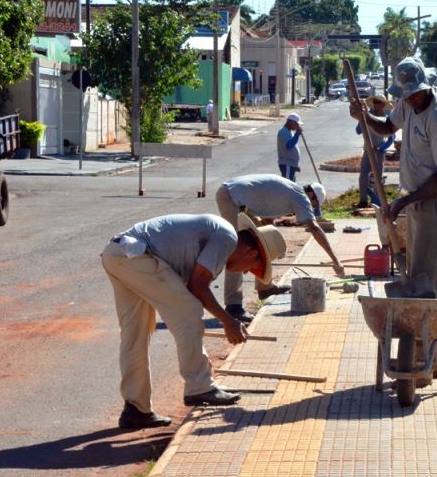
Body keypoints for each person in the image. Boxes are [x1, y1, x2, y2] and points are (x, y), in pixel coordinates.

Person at [101, 213, 286, 429]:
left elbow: (190, 285)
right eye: (252, 266)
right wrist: (228, 321)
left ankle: (135, 409)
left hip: (117, 253)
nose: (246, 271)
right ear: (251, 252)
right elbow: (197, 286)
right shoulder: (226, 238)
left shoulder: (217, 236)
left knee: (135, 334)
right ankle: (199, 386)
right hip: (138, 254)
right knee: (189, 311)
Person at [350, 57, 437, 298]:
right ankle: (419, 324)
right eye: (405, 95)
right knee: (417, 267)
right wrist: (365, 117)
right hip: (416, 199)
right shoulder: (407, 102)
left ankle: (430, 330)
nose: (410, 99)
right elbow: (388, 127)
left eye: (415, 94)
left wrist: (402, 202)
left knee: (430, 276)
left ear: (426, 87)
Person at [216, 174, 346, 321]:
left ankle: (265, 287)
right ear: (311, 195)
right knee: (237, 250)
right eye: (313, 205)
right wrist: (336, 260)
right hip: (229, 197)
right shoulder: (300, 197)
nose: (310, 208)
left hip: (235, 196)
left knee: (266, 241)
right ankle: (234, 306)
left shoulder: (289, 192)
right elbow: (315, 228)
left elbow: (266, 217)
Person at [354, 95, 394, 209]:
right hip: (367, 150)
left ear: (383, 105)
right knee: (363, 176)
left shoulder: (386, 119)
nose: (375, 104)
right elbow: (358, 131)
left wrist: (381, 148)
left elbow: (390, 139)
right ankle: (363, 200)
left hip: (378, 152)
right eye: (374, 102)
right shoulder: (368, 117)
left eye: (378, 102)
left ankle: (377, 200)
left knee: (378, 177)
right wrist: (362, 118)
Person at [277, 113, 303, 181]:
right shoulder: (283, 132)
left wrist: (295, 165)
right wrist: (297, 134)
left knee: (291, 185)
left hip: (291, 165)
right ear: (291, 122)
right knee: (288, 187)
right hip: (287, 164)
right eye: (296, 124)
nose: (298, 126)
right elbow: (288, 146)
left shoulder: (289, 132)